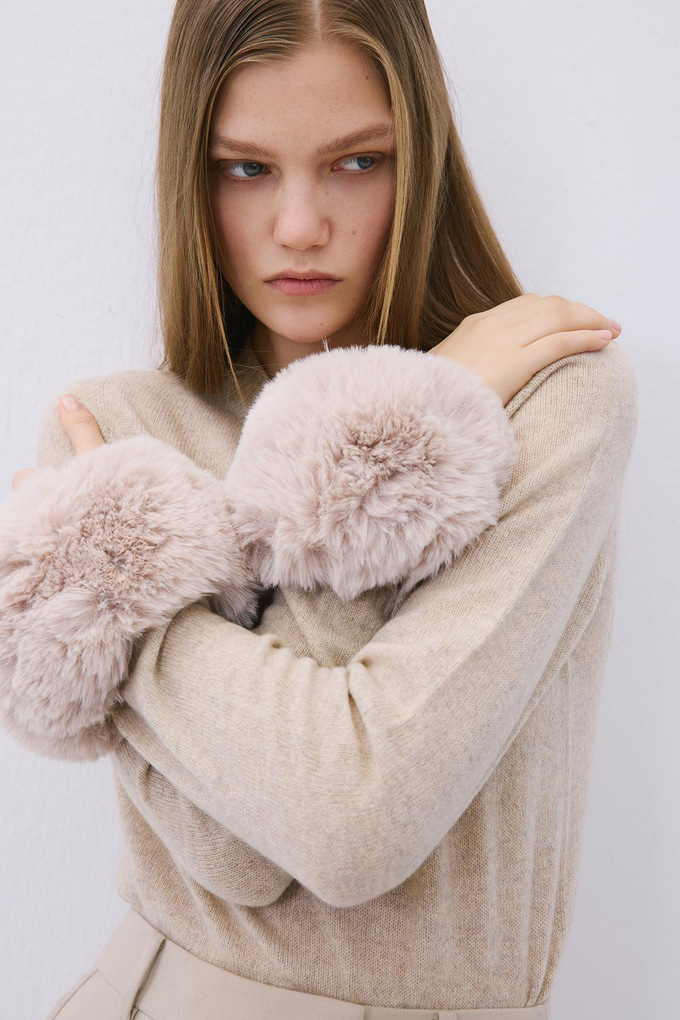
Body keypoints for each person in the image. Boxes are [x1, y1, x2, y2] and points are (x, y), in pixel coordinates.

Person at [0, 1, 637, 1018]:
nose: (299, 226)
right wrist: (396, 435)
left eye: (356, 161)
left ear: (419, 158)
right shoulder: (116, 429)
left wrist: (416, 418)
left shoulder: (548, 400)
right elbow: (235, 860)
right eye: (244, 168)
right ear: (190, 174)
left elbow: (351, 822)